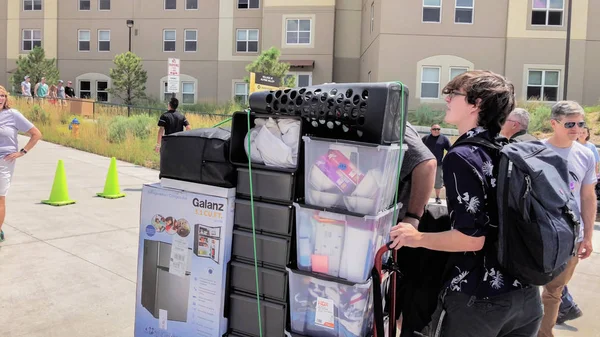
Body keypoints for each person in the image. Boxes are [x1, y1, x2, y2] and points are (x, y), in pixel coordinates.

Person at [391, 70, 543, 337]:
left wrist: (416, 237)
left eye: (454, 94)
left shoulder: (463, 155)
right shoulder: (506, 149)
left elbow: (471, 239)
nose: (447, 99)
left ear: (477, 103)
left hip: (479, 298)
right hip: (526, 297)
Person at [538, 101, 596, 337]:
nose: (576, 128)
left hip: (571, 237)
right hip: (538, 233)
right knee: (526, 288)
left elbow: (588, 197)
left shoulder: (586, 155)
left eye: (580, 123)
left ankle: (544, 334)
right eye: (570, 123)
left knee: (554, 292)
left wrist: (588, 237)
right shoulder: (536, 151)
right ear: (554, 123)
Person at [393, 122, 437, 336]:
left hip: (398, 232)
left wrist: (412, 217)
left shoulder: (392, 118)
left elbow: (427, 163)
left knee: (397, 305)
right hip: (389, 230)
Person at [0, 86, 42, 242]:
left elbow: (36, 134)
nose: (0, 98)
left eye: (3, 95)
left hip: (4, 162)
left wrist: (22, 152)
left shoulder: (13, 115)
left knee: (0, 197)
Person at [421, 124, 451, 203]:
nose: (436, 130)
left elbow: (450, 150)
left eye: (438, 129)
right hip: (426, 164)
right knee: (425, 181)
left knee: (438, 182)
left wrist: (446, 160)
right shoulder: (425, 138)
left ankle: (437, 198)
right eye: (434, 129)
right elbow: (419, 149)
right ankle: (423, 198)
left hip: (438, 165)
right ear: (431, 130)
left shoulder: (443, 139)